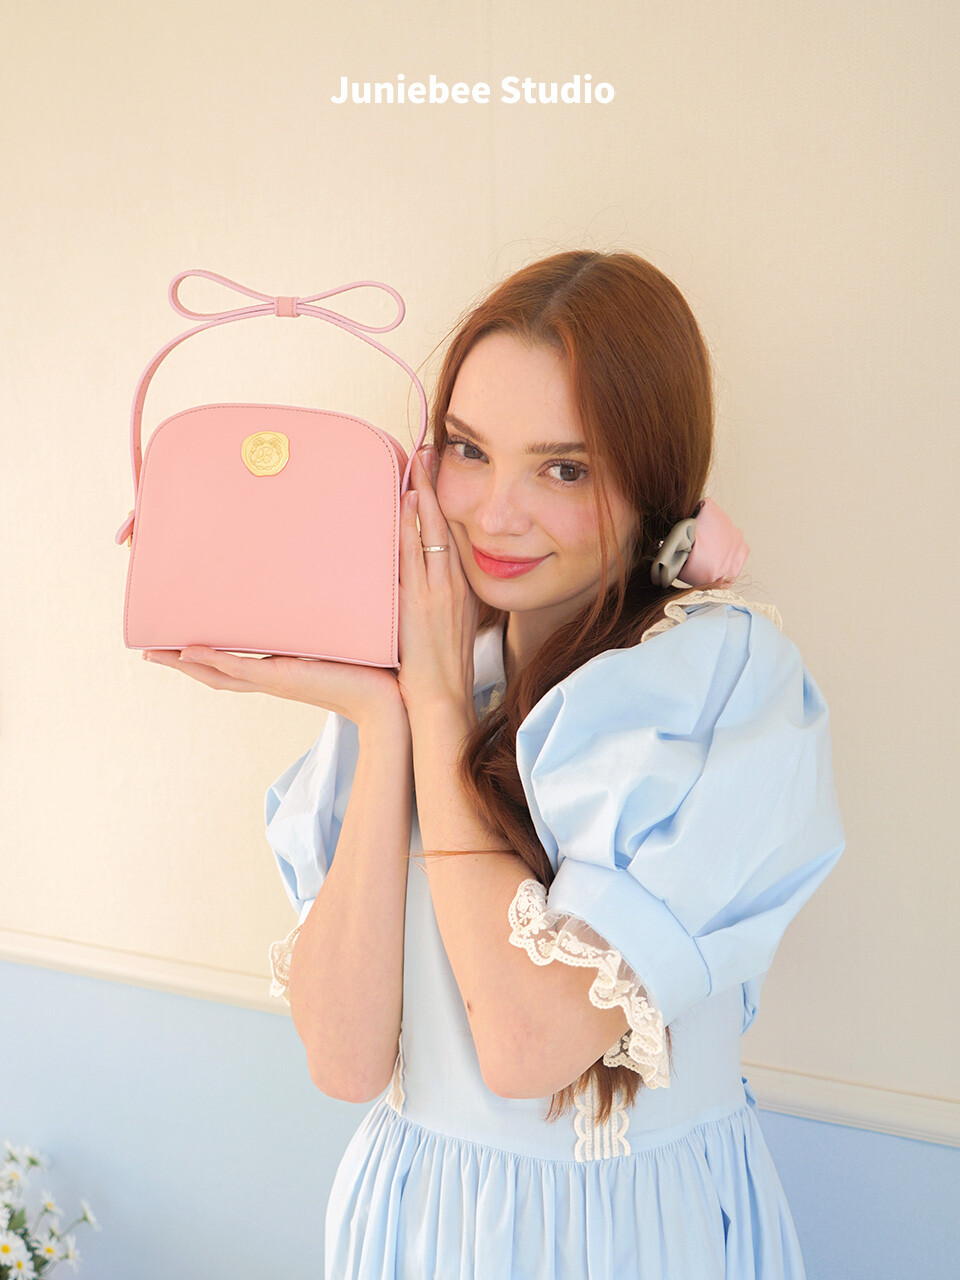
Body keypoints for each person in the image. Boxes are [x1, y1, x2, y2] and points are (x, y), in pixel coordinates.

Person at [144, 249, 846, 1279]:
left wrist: (431, 710)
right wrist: (382, 712)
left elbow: (528, 1048)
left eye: (564, 469)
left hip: (624, 1239)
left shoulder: (723, 683)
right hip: (415, 1225)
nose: (493, 513)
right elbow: (345, 1058)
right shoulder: (432, 671)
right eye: (468, 451)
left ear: (655, 487)